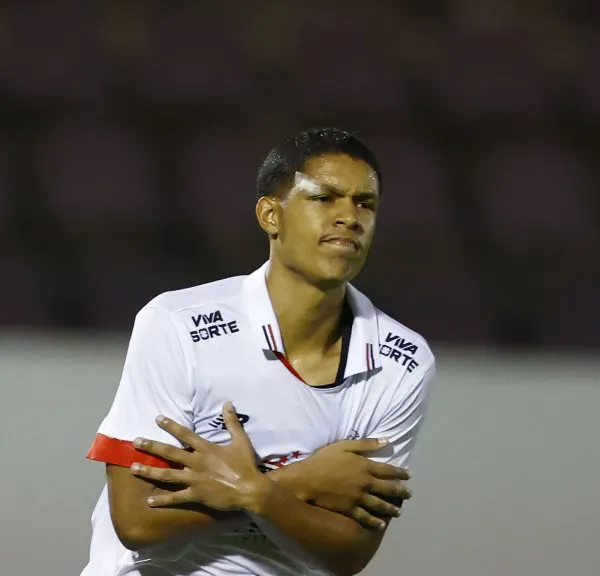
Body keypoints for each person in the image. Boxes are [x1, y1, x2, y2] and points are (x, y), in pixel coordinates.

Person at [80, 128, 437, 576]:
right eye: (324, 198)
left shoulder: (403, 361)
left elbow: (351, 552)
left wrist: (252, 490)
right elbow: (136, 520)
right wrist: (293, 484)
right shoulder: (177, 323)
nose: (349, 216)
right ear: (271, 215)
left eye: (365, 203)